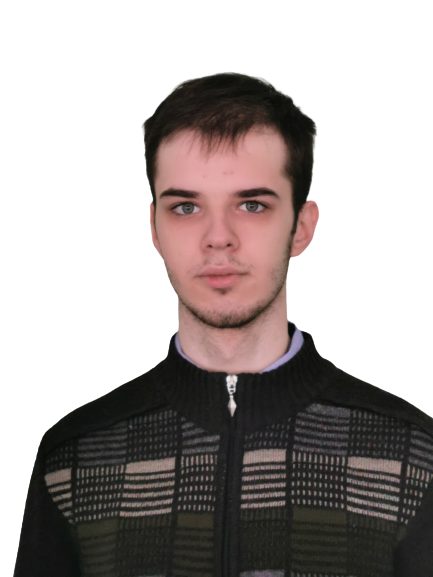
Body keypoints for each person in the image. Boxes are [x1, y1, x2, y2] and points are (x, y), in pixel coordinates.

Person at [14, 72, 432, 576]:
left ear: (301, 227)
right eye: (186, 207)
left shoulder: (413, 454)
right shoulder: (74, 458)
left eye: (251, 205)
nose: (218, 237)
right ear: (154, 228)